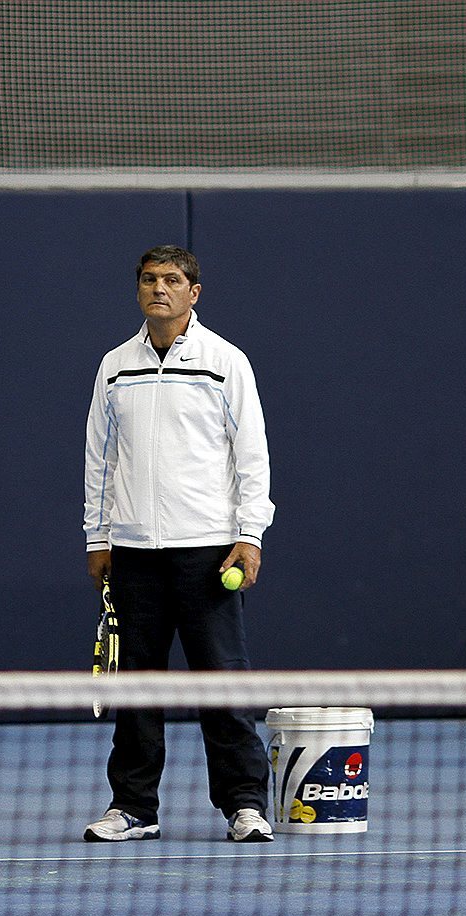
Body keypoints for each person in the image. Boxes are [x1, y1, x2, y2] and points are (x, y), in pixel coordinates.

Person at [82, 244, 276, 843]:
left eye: (171, 279)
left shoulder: (226, 362)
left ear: (194, 292)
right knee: (138, 687)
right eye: (148, 279)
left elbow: (251, 456)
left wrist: (250, 534)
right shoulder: (115, 365)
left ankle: (245, 804)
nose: (158, 288)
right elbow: (100, 457)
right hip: (135, 552)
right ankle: (134, 807)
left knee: (223, 685)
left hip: (209, 552)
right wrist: (99, 534)